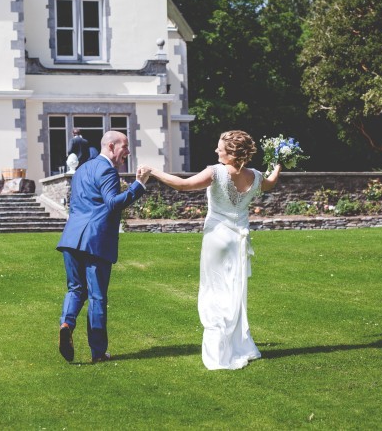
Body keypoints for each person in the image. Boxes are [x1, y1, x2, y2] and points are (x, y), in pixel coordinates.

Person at [140, 130, 282, 370]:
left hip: (217, 238)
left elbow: (183, 185)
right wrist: (278, 164)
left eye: (220, 148)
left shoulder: (215, 172)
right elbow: (270, 184)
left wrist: (153, 171)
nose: (216, 151)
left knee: (214, 292)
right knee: (234, 292)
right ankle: (237, 345)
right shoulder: (256, 176)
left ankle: (218, 352)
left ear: (231, 153)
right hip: (239, 240)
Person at [56, 131, 149, 363]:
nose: (128, 152)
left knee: (75, 289)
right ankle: (98, 353)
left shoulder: (81, 169)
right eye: (124, 147)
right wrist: (139, 185)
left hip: (71, 238)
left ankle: (66, 323)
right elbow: (112, 204)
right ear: (110, 146)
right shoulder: (107, 170)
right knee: (97, 296)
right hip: (95, 240)